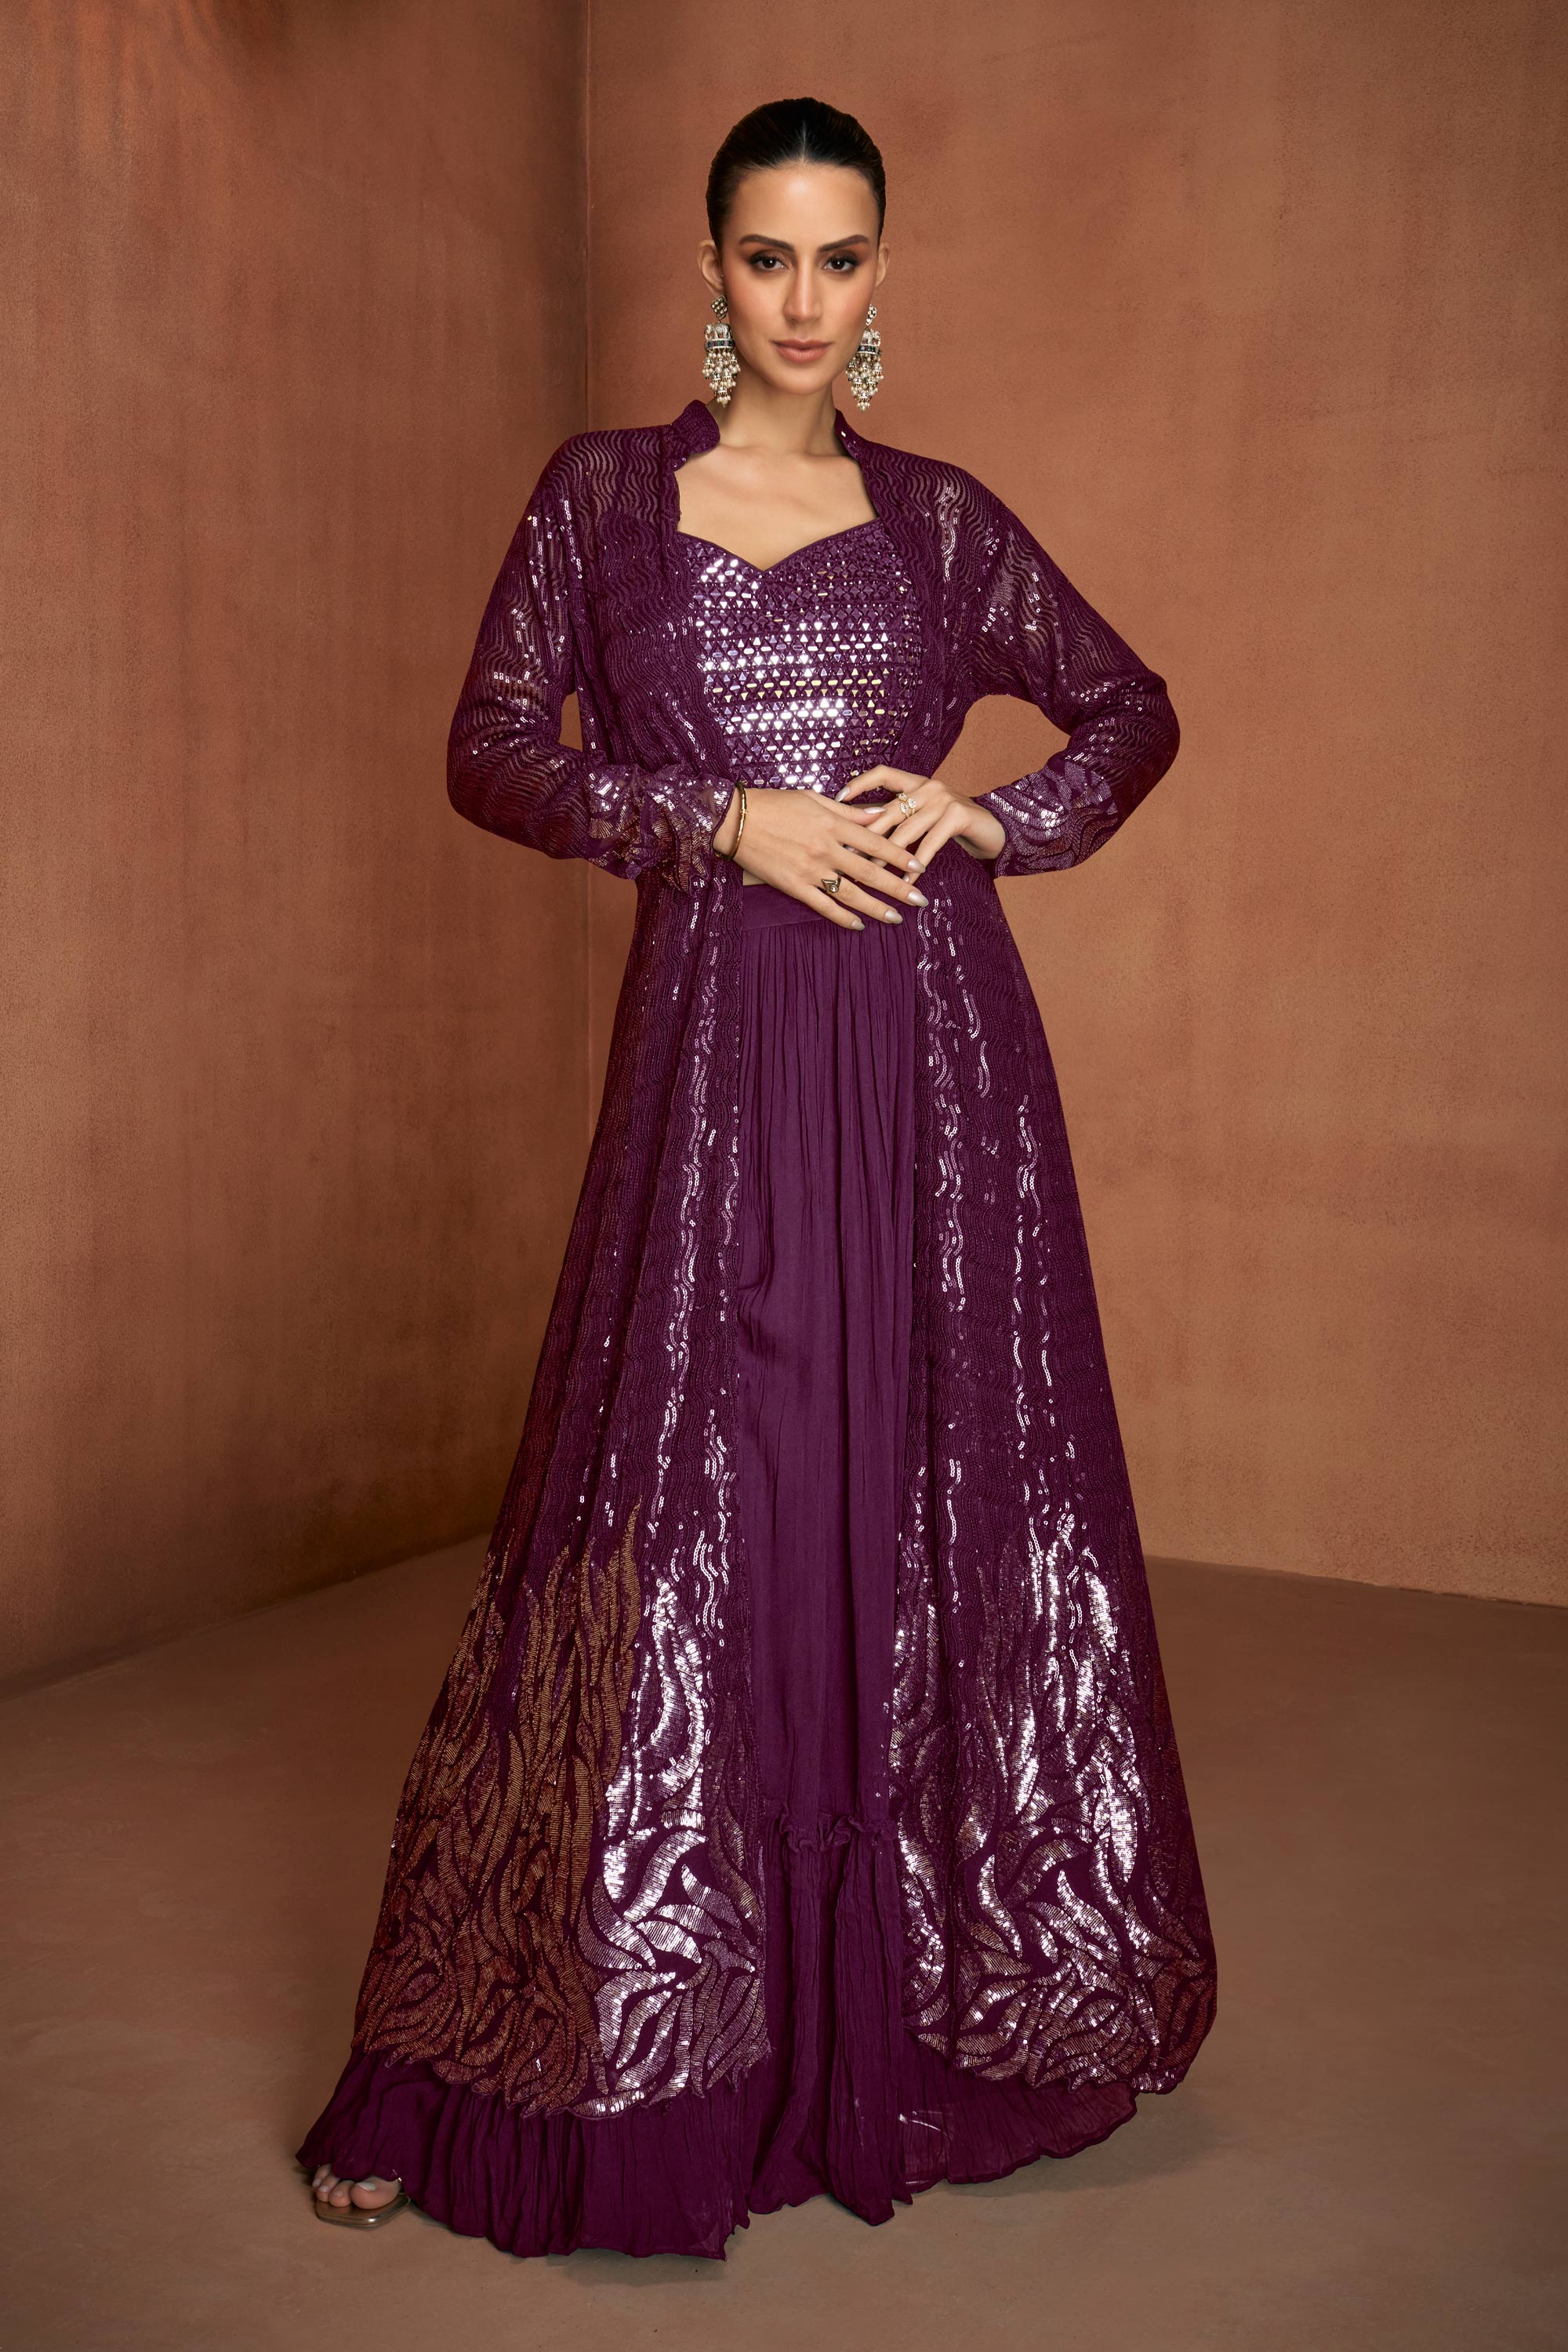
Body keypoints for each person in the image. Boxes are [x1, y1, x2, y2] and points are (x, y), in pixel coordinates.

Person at [300, 93, 1216, 2260]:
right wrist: (718, 817)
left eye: (842, 258)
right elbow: (490, 750)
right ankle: (525, 2054)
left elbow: (1129, 710)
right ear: (712, 270)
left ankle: (879, 2026)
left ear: (883, 274)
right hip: (716, 1063)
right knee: (679, 1501)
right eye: (769, 257)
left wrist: (991, 820)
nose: (806, 300)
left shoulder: (942, 522)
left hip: (932, 1071)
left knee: (897, 1494)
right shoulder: (603, 503)